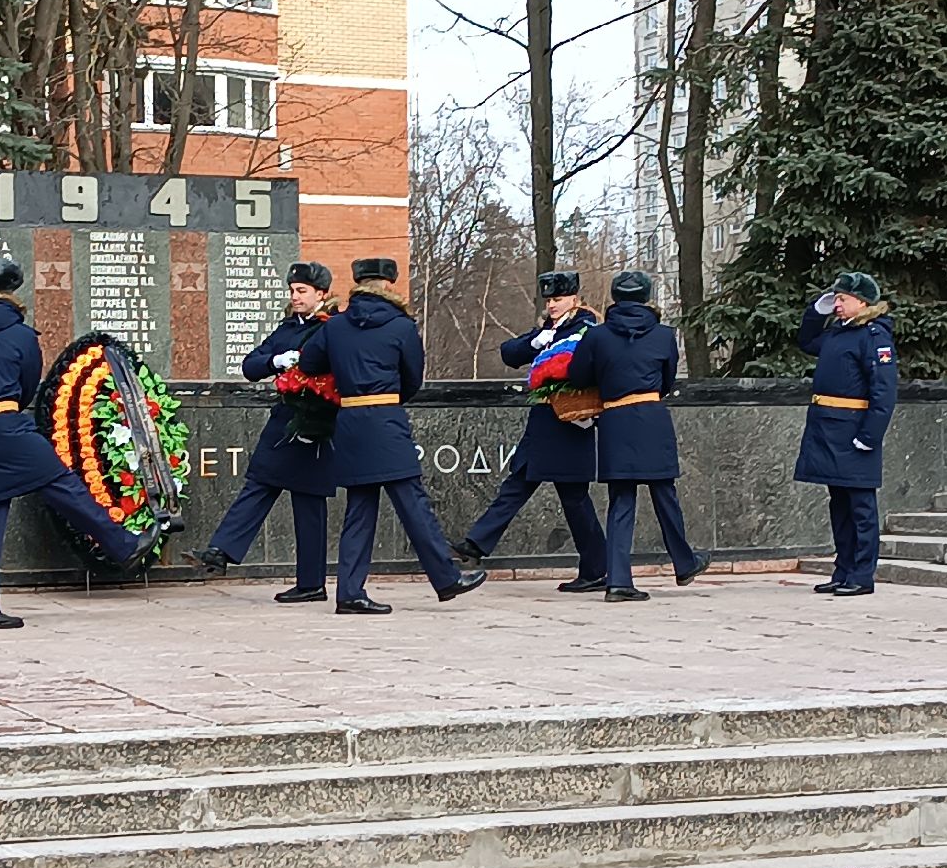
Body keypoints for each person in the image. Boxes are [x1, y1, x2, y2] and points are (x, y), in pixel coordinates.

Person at [0, 256, 159, 630]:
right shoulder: (21, 336)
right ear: (9, 292)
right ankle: (124, 545)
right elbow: (29, 386)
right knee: (63, 485)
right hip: (9, 425)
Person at [297, 258, 486, 614]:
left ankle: (350, 592)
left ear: (357, 284)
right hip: (385, 418)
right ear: (387, 284)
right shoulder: (401, 326)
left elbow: (309, 364)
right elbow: (413, 378)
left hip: (350, 420)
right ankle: (446, 578)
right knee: (412, 503)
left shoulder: (335, 327)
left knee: (360, 508)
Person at [185, 262, 337, 602]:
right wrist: (277, 361)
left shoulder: (331, 327)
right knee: (260, 483)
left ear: (321, 295)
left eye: (302, 291)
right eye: (292, 290)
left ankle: (310, 583)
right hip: (286, 421)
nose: (294, 297)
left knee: (309, 504)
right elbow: (251, 365)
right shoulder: (286, 328)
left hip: (316, 422)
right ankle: (221, 552)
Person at [452, 270, 607, 591]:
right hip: (544, 424)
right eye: (549, 300)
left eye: (558, 299)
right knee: (519, 485)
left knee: (574, 499)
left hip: (569, 422)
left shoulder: (585, 327)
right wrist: (537, 340)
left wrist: (555, 345)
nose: (552, 305)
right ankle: (476, 545)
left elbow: (580, 365)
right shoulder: (548, 328)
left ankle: (596, 569)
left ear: (575, 299)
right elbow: (510, 353)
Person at [564, 270, 710, 601]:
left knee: (621, 500)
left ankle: (618, 580)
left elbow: (577, 376)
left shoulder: (597, 336)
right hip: (652, 417)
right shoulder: (664, 335)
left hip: (615, 418)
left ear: (615, 297)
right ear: (647, 297)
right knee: (665, 494)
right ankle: (684, 563)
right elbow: (668, 380)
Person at [796, 272, 897, 597]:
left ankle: (862, 574)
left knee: (861, 507)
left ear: (862, 302)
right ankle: (843, 570)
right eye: (835, 299)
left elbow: (883, 392)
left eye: (841, 299)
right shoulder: (838, 333)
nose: (836, 304)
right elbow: (807, 340)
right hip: (828, 427)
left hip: (854, 429)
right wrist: (817, 309)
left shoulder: (873, 335)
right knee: (839, 504)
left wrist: (870, 435)